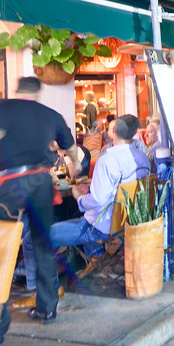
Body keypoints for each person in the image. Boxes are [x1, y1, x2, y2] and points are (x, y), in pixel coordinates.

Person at [0, 76, 79, 344]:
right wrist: (77, 168)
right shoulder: (52, 115)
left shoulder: (5, 107)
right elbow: (72, 150)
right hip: (42, 182)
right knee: (43, 245)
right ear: (39, 92)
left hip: (10, 183)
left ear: (18, 90)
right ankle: (47, 309)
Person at [50, 114, 150, 274]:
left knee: (44, 233)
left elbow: (97, 200)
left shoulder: (107, 160)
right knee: (80, 215)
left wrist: (78, 197)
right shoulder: (143, 159)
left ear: (113, 132)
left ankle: (44, 282)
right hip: (127, 221)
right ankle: (96, 255)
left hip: (102, 225)